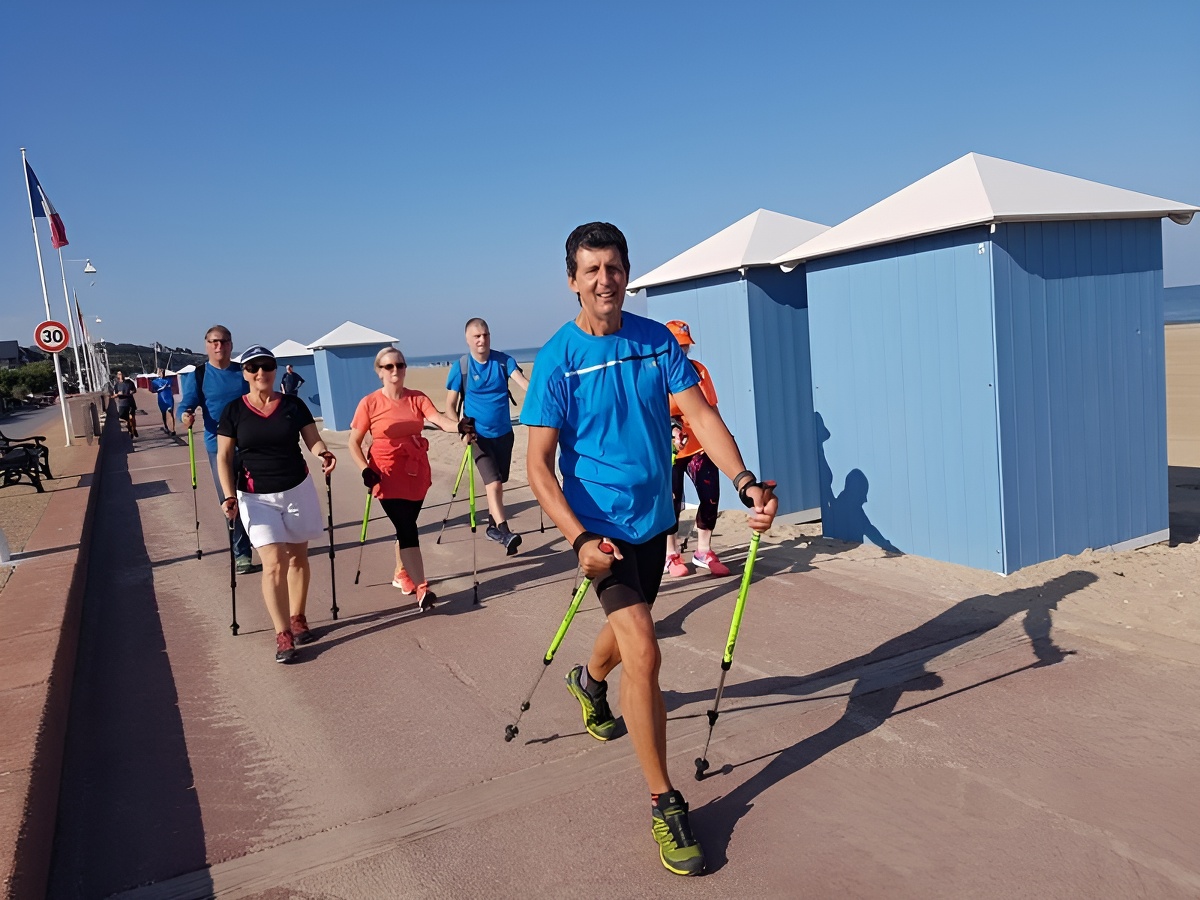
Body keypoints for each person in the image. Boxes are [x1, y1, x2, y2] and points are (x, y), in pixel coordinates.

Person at [523, 222, 777, 877]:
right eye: (592, 270)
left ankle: (587, 680)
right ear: (573, 281)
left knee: (623, 639)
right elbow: (540, 467)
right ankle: (665, 801)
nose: (605, 279)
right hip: (599, 531)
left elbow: (700, 416)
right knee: (645, 646)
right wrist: (577, 537)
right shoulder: (557, 360)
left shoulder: (655, 341)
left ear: (626, 272)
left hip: (653, 521)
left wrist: (745, 481)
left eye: (614, 267)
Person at [217, 346, 335, 663]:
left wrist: (323, 453)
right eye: (254, 367)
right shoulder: (233, 411)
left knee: (298, 557)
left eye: (267, 366)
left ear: (274, 370)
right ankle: (283, 634)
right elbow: (224, 456)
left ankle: (298, 619)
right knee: (274, 563)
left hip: (297, 488)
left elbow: (312, 439)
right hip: (255, 497)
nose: (261, 373)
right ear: (245, 373)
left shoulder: (293, 406)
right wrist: (229, 494)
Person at [348, 346, 477, 609]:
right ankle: (422, 590)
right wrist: (365, 468)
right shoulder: (369, 403)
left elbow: (439, 420)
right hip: (384, 474)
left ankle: (401, 572)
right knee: (407, 528)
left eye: (400, 365)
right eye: (389, 366)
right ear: (379, 372)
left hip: (416, 473)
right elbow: (354, 442)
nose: (396, 370)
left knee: (405, 525)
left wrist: (460, 426)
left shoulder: (417, 398)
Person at [444, 318, 530, 555]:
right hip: (477, 437)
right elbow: (450, 405)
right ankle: (504, 531)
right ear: (468, 339)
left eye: (486, 335)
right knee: (493, 484)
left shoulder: (504, 361)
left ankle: (492, 527)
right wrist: (459, 429)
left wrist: (543, 398)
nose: (482, 340)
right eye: (477, 336)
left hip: (504, 435)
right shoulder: (461, 367)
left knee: (500, 483)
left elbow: (524, 384)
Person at [179, 325, 260, 575]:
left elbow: (259, 399)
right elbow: (186, 404)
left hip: (249, 445)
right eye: (214, 342)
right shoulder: (199, 375)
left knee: (257, 497)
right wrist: (185, 415)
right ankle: (242, 553)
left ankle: (266, 542)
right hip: (217, 448)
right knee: (230, 500)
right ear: (206, 344)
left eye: (224, 342)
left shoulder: (243, 372)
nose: (219, 346)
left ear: (231, 344)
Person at [662, 320, 731, 578]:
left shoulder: (698, 371)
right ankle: (671, 554)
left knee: (710, 494)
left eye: (685, 347)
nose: (682, 353)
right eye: (677, 347)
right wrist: (672, 430)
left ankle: (703, 551)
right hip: (667, 447)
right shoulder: (656, 375)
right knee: (672, 501)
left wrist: (722, 435)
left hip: (698, 445)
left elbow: (711, 409)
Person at [109, 370, 138, 441]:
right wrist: (116, 395)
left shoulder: (129, 382)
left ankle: (134, 429)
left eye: (121, 374)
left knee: (131, 417)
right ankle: (130, 431)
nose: (120, 376)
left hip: (130, 402)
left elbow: (134, 390)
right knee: (126, 420)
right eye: (119, 374)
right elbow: (115, 394)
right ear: (117, 376)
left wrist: (131, 392)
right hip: (122, 404)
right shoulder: (117, 385)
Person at [150, 367, 177, 436]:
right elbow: (153, 390)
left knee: (171, 413)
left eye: (162, 372)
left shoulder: (168, 379)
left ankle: (173, 429)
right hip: (161, 398)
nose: (161, 373)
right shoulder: (155, 382)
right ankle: (166, 426)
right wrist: (160, 388)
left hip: (169, 397)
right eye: (160, 372)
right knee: (163, 413)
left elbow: (173, 383)